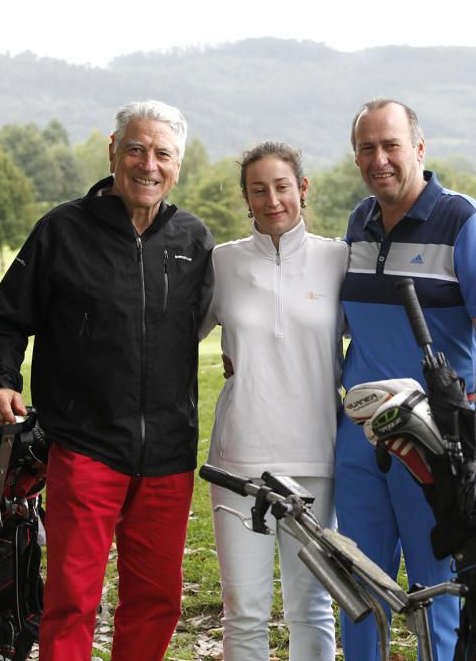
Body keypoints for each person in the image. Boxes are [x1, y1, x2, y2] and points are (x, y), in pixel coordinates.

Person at [0, 100, 214, 661]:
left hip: (169, 453)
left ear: (177, 165)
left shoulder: (193, 241)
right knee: (71, 599)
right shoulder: (61, 231)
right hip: (84, 445)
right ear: (113, 150)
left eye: (162, 153)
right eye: (136, 148)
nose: (147, 164)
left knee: (156, 599)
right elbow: (3, 324)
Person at [336, 98, 476, 659]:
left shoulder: (464, 220)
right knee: (359, 583)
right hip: (359, 437)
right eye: (367, 148)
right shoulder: (358, 222)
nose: (379, 158)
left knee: (437, 588)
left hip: (433, 437)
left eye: (391, 145)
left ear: (418, 148)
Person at [199, 141, 347, 661]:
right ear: (246, 198)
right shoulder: (221, 263)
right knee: (244, 610)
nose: (272, 199)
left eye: (282, 186)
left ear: (302, 189)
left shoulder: (338, 259)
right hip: (239, 460)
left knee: (312, 608)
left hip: (316, 458)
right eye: (258, 190)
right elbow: (173, 339)